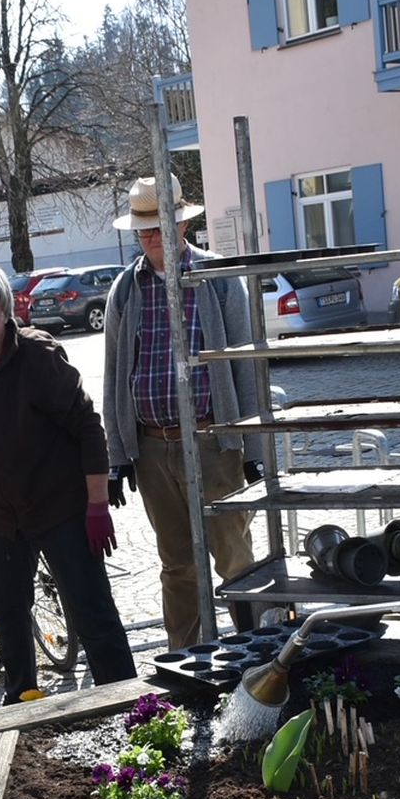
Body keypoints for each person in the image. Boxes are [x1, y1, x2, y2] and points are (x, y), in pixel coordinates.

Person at [0, 262, 136, 703]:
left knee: (92, 613)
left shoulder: (37, 358)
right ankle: (22, 706)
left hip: (58, 508)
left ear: (7, 314)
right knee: (9, 617)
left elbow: (87, 427)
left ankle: (126, 703)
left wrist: (97, 505)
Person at [100, 173, 264, 650]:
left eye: (160, 227)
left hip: (214, 441)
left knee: (235, 558)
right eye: (144, 230)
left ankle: (257, 649)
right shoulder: (125, 289)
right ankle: (184, 657)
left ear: (183, 225)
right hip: (153, 448)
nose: (152, 237)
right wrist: (117, 458)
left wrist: (254, 450)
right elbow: (114, 376)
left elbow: (247, 367)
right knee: (177, 565)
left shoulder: (218, 279)